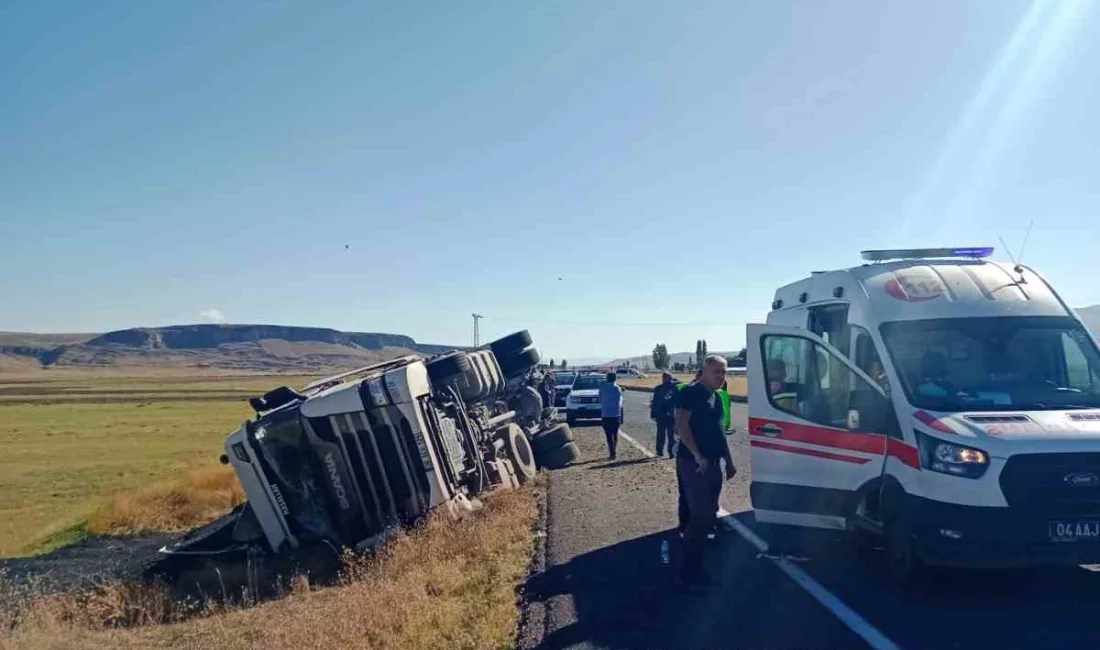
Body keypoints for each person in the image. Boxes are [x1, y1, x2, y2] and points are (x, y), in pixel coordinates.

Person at [674, 355, 737, 589]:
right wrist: (698, 455)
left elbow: (720, 432)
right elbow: (681, 424)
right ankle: (687, 573)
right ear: (704, 372)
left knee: (709, 515)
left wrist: (729, 462)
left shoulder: (717, 398)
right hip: (694, 464)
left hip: (713, 464)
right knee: (700, 515)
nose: (721, 376)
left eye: (724, 372)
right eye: (716, 372)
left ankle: (696, 567)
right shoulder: (691, 393)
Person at [650, 372, 679, 458]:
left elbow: (654, 403)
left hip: (661, 414)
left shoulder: (658, 388)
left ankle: (659, 452)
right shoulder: (675, 388)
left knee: (661, 434)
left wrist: (653, 414)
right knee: (671, 436)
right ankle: (671, 453)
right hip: (671, 415)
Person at [599, 372, 624, 460]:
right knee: (615, 433)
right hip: (616, 414)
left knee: (608, 435)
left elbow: (600, 398)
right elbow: (621, 403)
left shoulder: (602, 387)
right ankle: (614, 450)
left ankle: (612, 452)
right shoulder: (618, 388)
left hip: (605, 414)